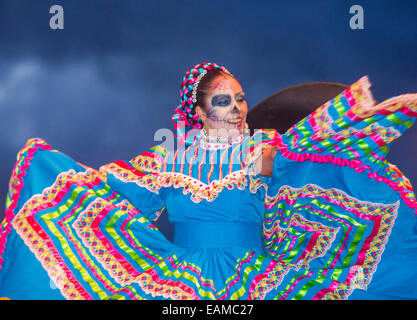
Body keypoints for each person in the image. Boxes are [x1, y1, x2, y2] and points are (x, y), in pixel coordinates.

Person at [0, 61, 416, 300]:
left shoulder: (264, 148)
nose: (237, 108)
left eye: (240, 98)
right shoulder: (167, 159)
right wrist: (47, 166)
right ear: (198, 112)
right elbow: (110, 190)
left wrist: (370, 117)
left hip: (257, 280)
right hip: (178, 283)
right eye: (223, 100)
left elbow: (317, 150)